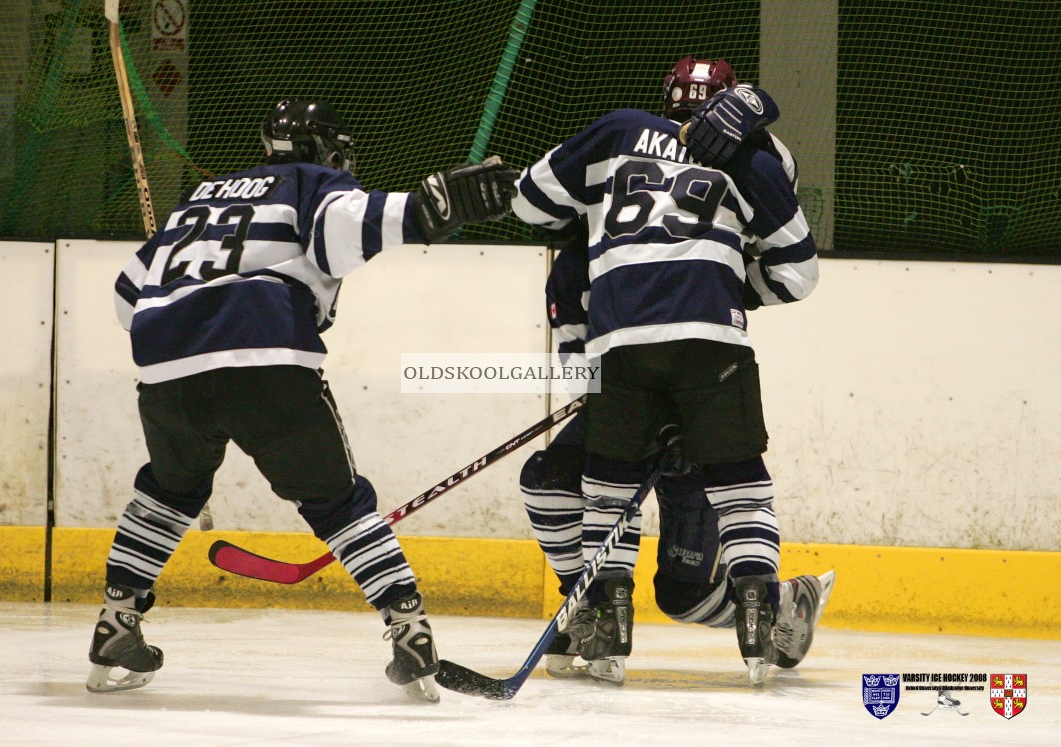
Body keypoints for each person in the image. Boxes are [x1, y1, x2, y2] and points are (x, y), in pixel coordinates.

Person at [87, 97, 519, 702]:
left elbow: (126, 297)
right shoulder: (309, 182)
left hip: (166, 365)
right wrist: (425, 211)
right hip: (266, 354)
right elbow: (348, 224)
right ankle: (409, 629)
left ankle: (116, 622)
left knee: (168, 488)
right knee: (337, 502)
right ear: (327, 148)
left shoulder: (198, 198)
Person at [512, 56, 825, 686]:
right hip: (711, 351)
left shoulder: (619, 134)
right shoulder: (757, 160)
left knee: (618, 502)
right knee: (735, 480)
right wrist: (733, 285)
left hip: (623, 350)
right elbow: (798, 273)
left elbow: (529, 202)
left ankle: (609, 621)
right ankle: (758, 613)